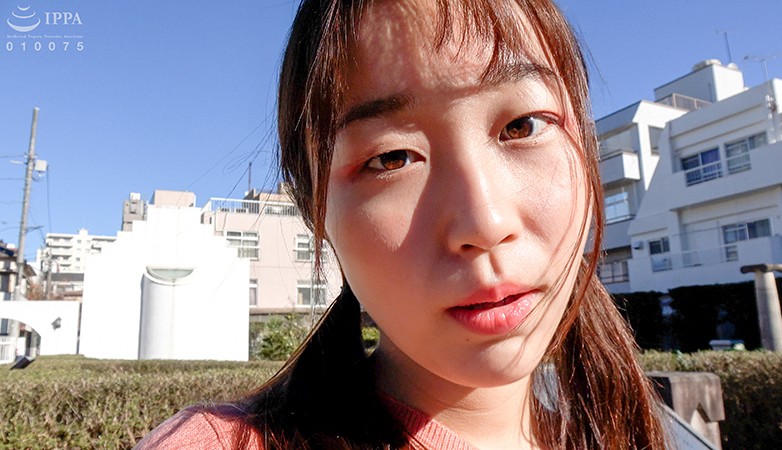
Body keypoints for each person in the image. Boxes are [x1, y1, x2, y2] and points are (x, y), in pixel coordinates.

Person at [137, 0, 669, 448]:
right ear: (315, 209)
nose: (484, 223)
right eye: (391, 159)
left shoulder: (626, 434)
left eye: (522, 126)